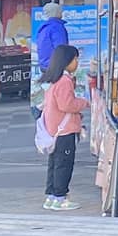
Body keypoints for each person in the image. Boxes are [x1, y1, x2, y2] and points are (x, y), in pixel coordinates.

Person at [38, 43, 88, 211]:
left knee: (54, 164)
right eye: (75, 59)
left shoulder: (54, 80)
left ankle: (51, 197)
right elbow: (67, 104)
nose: (77, 63)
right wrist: (84, 103)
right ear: (66, 61)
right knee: (64, 164)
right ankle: (60, 198)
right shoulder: (65, 81)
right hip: (64, 131)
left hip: (54, 130)